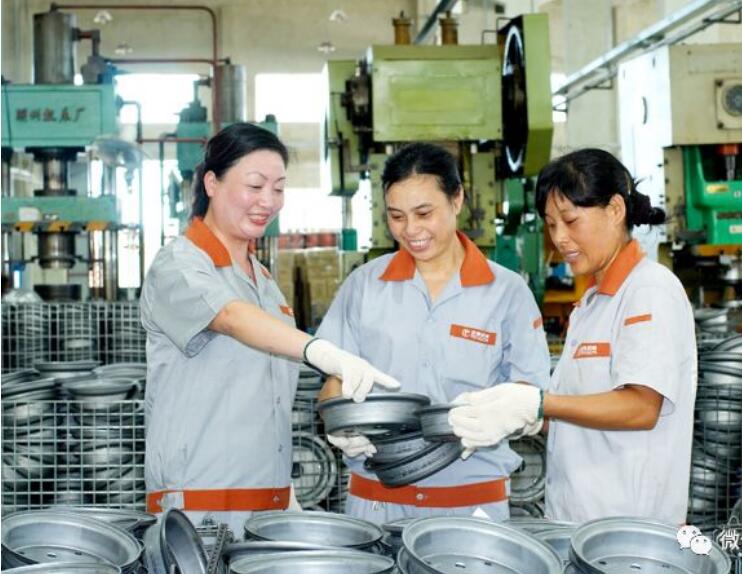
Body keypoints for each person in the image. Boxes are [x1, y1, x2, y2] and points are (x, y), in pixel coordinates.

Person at [140, 123, 398, 535]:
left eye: (278, 188)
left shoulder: (261, 280)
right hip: (199, 509)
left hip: (268, 503)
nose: (268, 201)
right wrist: (320, 351)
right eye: (255, 186)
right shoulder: (180, 264)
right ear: (211, 183)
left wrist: (334, 427)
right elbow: (230, 317)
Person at [449, 149, 697, 525]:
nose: (559, 238)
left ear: (615, 210)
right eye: (551, 225)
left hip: (630, 529)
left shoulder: (649, 290)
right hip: (577, 523)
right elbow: (583, 406)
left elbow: (642, 407)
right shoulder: (591, 304)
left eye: (570, 221)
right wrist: (520, 414)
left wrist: (540, 404)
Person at [316, 142, 549, 524]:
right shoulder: (364, 286)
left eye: (424, 213)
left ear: (457, 200)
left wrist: (508, 416)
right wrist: (337, 420)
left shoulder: (507, 292)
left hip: (472, 504)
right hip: (376, 500)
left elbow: (531, 392)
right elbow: (334, 381)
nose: (411, 230)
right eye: (396, 216)